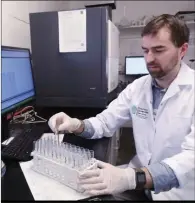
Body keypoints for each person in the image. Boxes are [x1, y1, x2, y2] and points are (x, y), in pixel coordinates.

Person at [48, 14, 194, 200]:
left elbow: (191, 160)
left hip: (178, 193)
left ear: (182, 50)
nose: (149, 58)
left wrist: (131, 178)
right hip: (138, 183)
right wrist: (77, 124)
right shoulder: (138, 88)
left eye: (158, 50)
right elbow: (105, 122)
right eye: (145, 50)